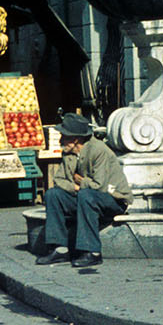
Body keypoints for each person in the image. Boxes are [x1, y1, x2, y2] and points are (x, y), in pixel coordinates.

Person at [36, 115, 133, 268]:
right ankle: (60, 249)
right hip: (84, 196)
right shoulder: (69, 153)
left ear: (75, 139)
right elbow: (58, 180)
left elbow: (99, 186)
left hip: (113, 200)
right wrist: (75, 187)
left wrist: (81, 183)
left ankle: (92, 252)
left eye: (64, 136)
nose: (60, 140)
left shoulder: (99, 150)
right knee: (53, 195)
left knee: (86, 195)